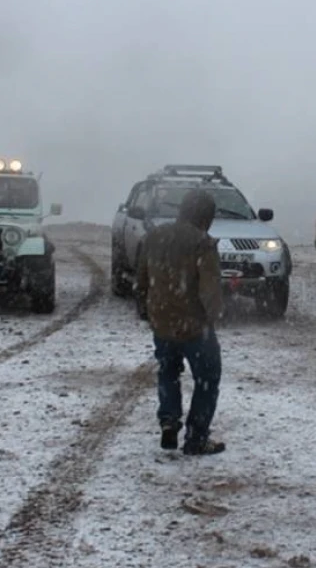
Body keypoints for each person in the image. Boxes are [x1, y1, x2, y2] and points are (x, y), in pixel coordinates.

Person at [135, 189, 226, 456]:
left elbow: (141, 279)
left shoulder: (154, 237)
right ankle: (196, 438)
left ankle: (169, 421)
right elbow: (209, 291)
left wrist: (146, 310)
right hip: (195, 328)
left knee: (168, 372)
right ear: (206, 215)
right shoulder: (202, 243)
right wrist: (214, 317)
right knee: (207, 378)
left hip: (162, 322)